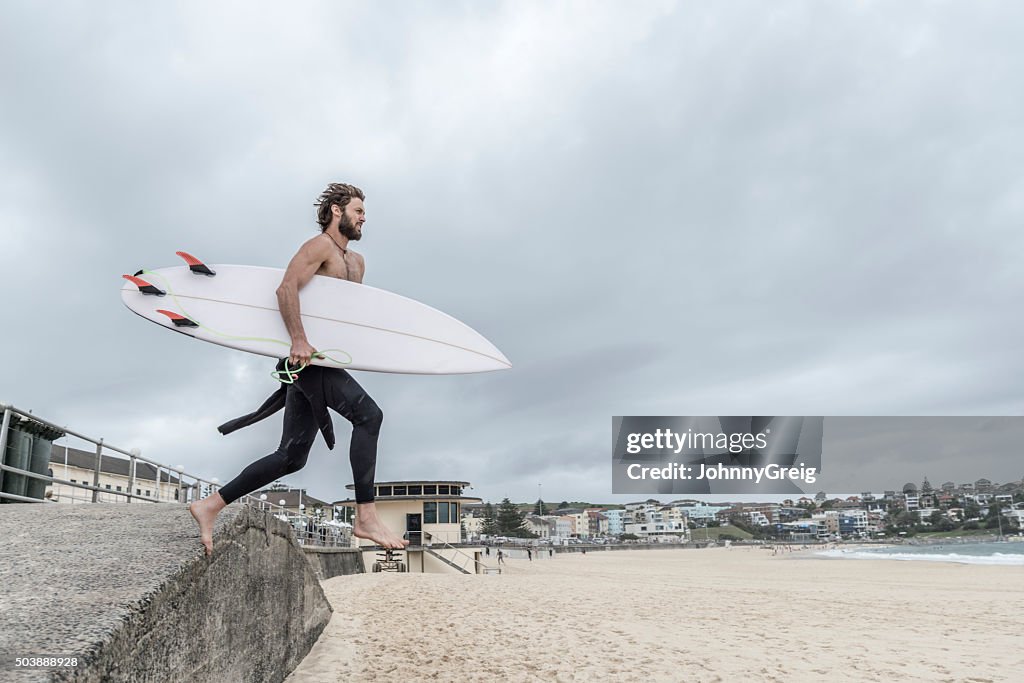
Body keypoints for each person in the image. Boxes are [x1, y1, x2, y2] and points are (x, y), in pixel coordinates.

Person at [189, 183, 409, 556]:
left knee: (291, 457)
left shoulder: (356, 263)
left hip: (323, 358)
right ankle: (366, 516)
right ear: (337, 211)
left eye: (364, 212)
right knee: (369, 416)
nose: (363, 217)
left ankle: (209, 505)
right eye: (357, 210)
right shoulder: (318, 247)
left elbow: (345, 314)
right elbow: (286, 289)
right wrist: (298, 341)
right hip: (306, 360)